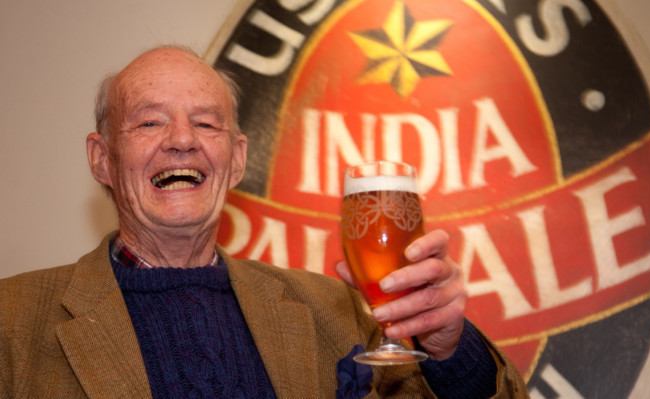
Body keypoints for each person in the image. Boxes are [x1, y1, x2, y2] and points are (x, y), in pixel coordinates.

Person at [0, 46, 527, 398]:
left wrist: (450, 351)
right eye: (149, 121)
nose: (182, 139)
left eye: (206, 122)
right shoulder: (12, 319)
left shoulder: (339, 312)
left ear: (236, 160)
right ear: (101, 159)